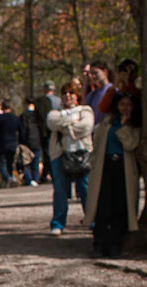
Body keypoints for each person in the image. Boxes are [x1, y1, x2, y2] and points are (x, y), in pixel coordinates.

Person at [83, 92, 140, 257]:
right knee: (103, 207)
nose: (125, 108)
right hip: (105, 167)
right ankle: (99, 243)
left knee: (119, 207)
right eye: (122, 105)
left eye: (128, 105)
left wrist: (124, 127)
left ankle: (115, 244)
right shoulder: (106, 123)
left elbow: (130, 145)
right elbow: (97, 144)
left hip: (123, 168)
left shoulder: (134, 126)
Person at [46, 82, 95, 235]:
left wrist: (65, 127)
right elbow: (52, 123)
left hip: (82, 154)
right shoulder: (55, 112)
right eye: (64, 93)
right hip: (60, 155)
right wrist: (73, 123)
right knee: (60, 191)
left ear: (77, 95)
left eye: (71, 93)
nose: (67, 96)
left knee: (86, 189)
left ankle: (92, 220)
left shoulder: (85, 111)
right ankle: (58, 223)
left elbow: (86, 127)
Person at [0, 100, 22, 188]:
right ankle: (10, 177)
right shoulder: (15, 118)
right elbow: (21, 131)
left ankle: (7, 178)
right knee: (10, 163)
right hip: (13, 143)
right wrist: (21, 141)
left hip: (2, 143)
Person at [35, 81, 62, 182]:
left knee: (47, 152)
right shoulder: (59, 101)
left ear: (45, 89)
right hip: (57, 129)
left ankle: (49, 173)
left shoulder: (41, 101)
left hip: (45, 131)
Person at [20, 99, 42, 187]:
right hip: (37, 140)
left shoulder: (24, 116)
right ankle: (35, 179)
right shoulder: (38, 115)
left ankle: (29, 178)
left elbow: (22, 130)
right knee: (36, 161)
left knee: (25, 162)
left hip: (27, 141)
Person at [85, 61, 114, 125]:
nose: (93, 76)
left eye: (96, 73)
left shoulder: (112, 90)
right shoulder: (92, 94)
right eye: (92, 74)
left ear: (105, 71)